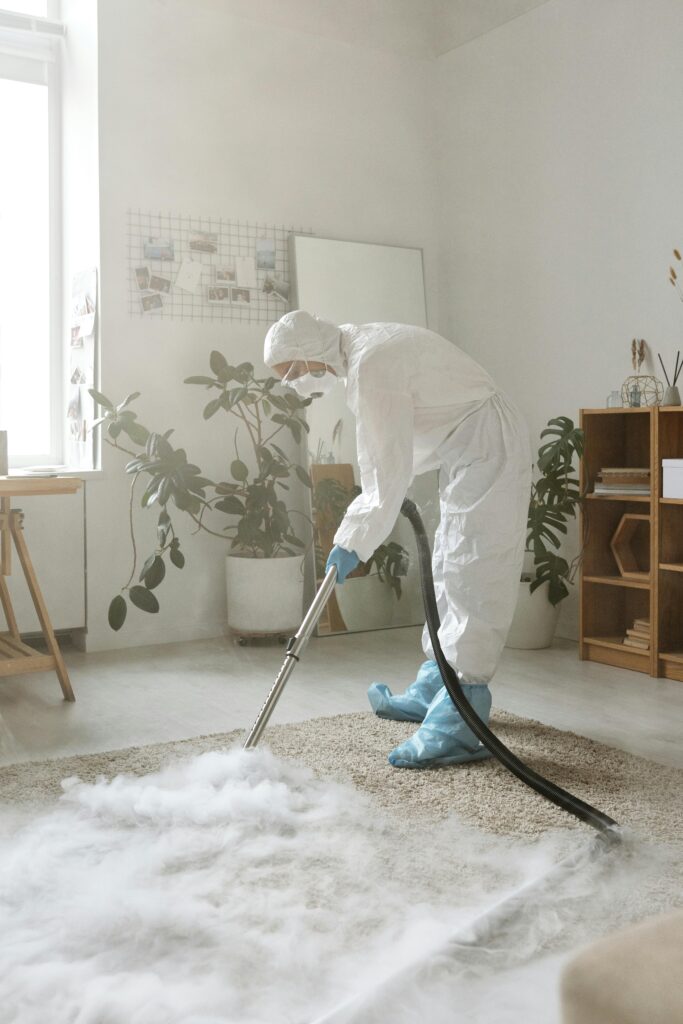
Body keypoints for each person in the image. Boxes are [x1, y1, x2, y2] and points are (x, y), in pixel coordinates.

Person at [263, 310, 531, 769]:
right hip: (467, 448)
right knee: (449, 561)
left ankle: (461, 715)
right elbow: (394, 460)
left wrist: (350, 541)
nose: (292, 383)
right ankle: (438, 680)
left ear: (309, 354)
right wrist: (358, 534)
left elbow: (384, 475)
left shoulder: (372, 364)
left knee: (472, 569)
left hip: (488, 443)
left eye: (289, 372)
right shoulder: (362, 353)